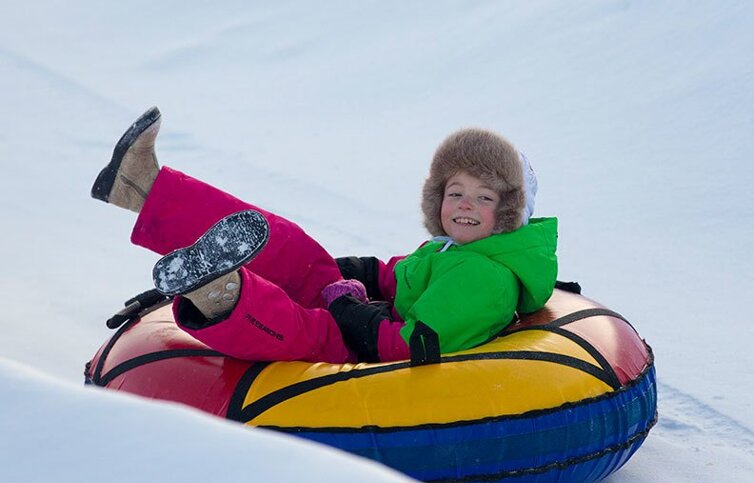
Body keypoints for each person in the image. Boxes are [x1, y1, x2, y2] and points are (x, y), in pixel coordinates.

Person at [91, 107, 558, 364]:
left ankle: (222, 293)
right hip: (371, 318)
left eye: (484, 198)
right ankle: (144, 188)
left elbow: (404, 347)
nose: (465, 206)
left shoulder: (485, 277)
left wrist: (343, 307)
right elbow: (401, 277)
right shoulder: (453, 250)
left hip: (373, 355)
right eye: (455, 192)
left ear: (510, 213)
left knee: (306, 330)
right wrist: (354, 275)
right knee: (295, 250)